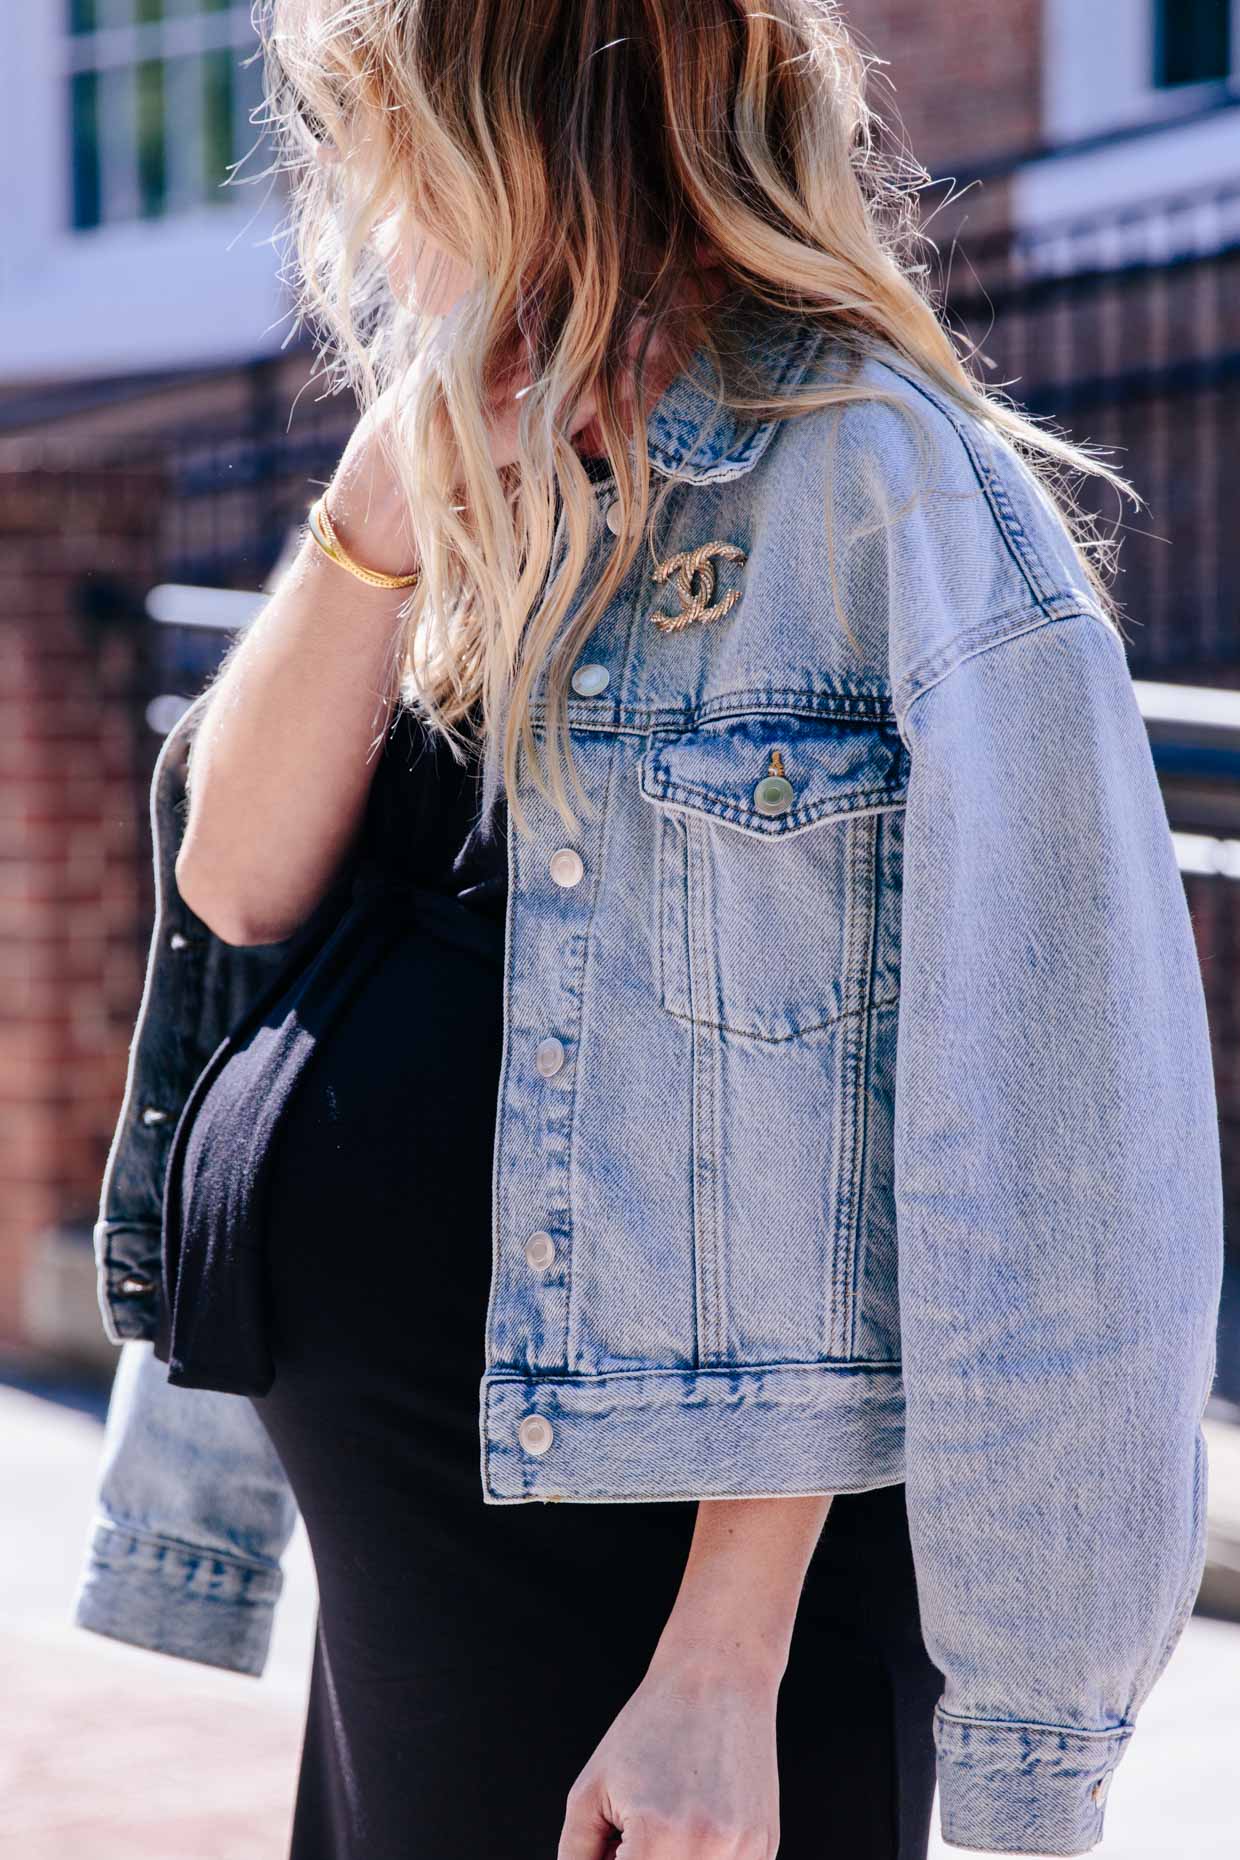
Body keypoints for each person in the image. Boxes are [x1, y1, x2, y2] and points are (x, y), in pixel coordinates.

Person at [103, 4, 1223, 1858]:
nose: (359, 203)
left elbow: (1005, 1155)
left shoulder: (893, 494)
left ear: (507, 138)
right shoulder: (483, 464)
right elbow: (237, 885)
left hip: (676, 1666)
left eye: (380, 131)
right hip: (421, 1598)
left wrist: (725, 1664)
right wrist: (388, 491)